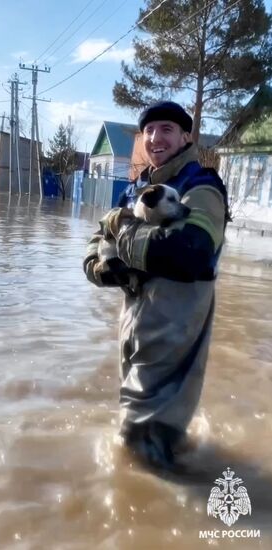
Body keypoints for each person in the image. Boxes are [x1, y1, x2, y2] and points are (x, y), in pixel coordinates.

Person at [83, 101, 230, 469]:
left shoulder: (201, 187)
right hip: (135, 323)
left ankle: (156, 513)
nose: (155, 137)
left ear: (185, 136)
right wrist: (99, 268)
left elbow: (189, 252)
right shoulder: (139, 188)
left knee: (139, 441)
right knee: (139, 429)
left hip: (174, 328)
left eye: (166, 129)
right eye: (148, 130)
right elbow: (99, 235)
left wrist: (123, 228)